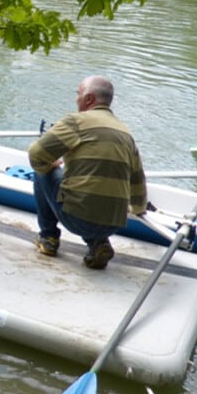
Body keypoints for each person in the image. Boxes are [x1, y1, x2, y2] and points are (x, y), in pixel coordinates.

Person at [28, 75, 148, 270]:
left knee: (43, 170)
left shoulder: (76, 122)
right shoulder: (126, 133)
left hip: (77, 219)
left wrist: (51, 165)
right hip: (113, 224)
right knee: (88, 191)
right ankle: (98, 243)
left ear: (89, 99)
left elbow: (36, 154)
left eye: (78, 94)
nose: (76, 99)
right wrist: (138, 209)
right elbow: (138, 183)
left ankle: (48, 237)